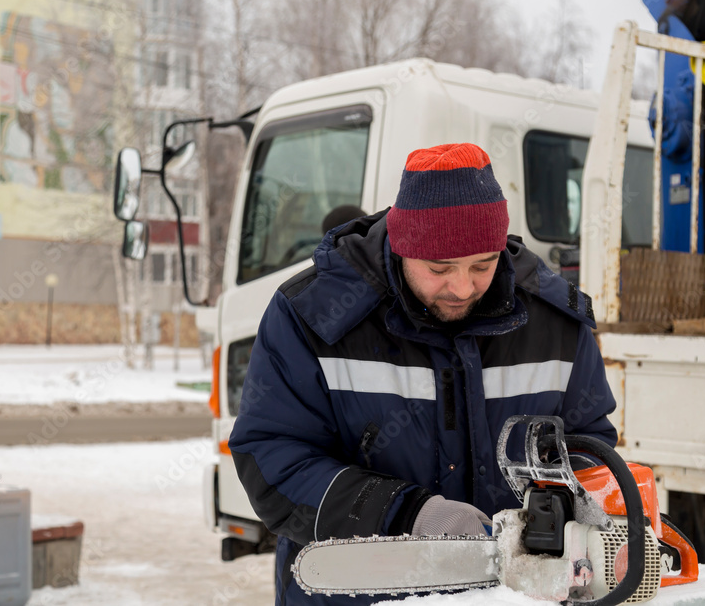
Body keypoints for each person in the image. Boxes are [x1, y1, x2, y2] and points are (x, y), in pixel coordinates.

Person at [229, 142, 617, 605]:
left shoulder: (554, 322)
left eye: (483, 265)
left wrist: (565, 516)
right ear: (401, 246)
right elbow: (271, 459)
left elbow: (590, 446)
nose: (462, 287)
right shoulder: (313, 318)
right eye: (439, 268)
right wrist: (407, 514)